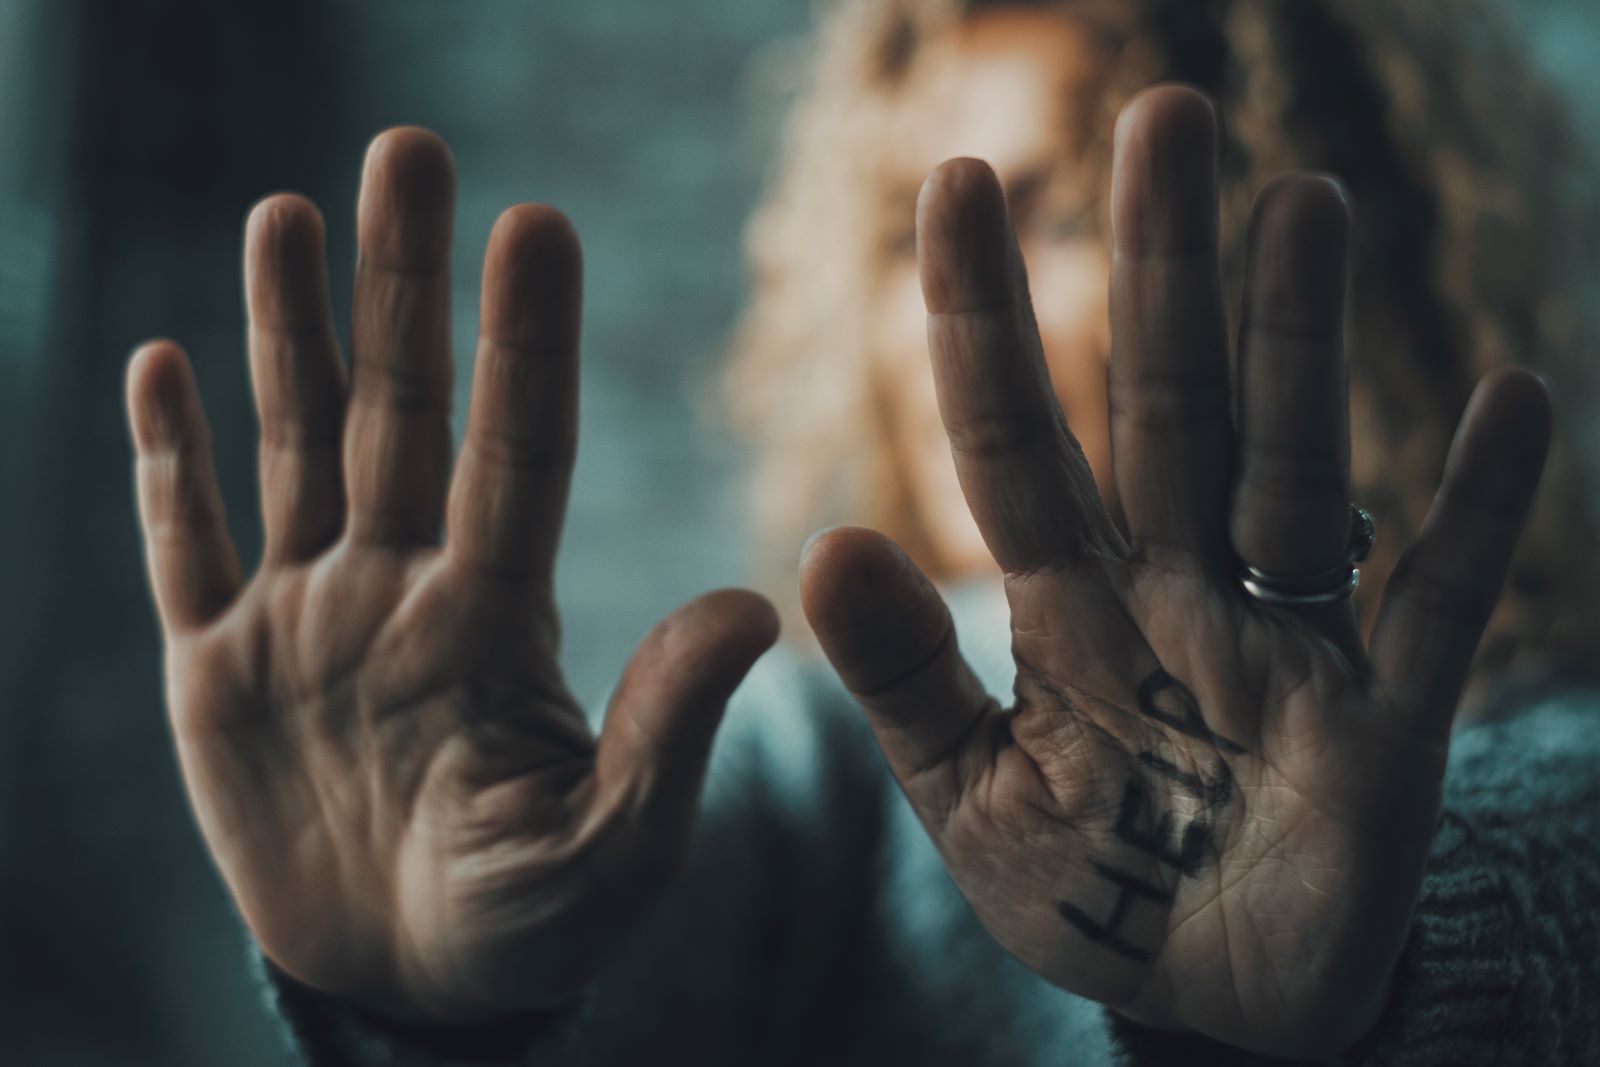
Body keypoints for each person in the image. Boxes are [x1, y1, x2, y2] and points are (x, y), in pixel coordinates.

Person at [123, 0, 1600, 1063]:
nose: (964, 312)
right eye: (915, 232)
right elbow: (664, 956)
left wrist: (1390, 982)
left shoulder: (1545, 764)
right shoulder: (828, 754)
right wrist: (444, 1014)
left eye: (1062, 211)